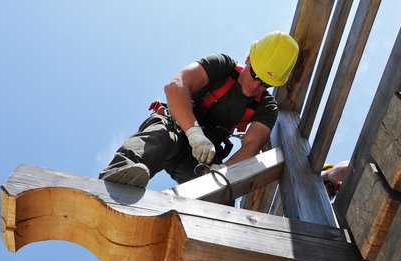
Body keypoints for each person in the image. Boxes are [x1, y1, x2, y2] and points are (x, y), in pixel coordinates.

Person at [99, 31, 299, 188]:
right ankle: (118, 175)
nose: (257, 85)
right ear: (248, 59)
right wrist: (194, 133)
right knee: (159, 137)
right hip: (177, 126)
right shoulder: (222, 66)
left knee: (217, 191)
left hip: (204, 155)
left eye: (265, 83)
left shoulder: (266, 107)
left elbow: (251, 146)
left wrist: (222, 172)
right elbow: (176, 85)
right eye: (255, 75)